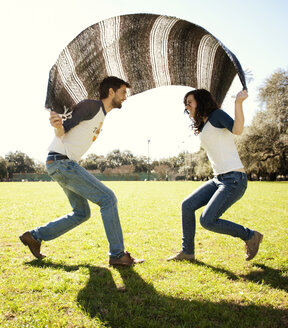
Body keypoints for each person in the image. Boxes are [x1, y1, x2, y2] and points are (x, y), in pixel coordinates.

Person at [20, 76, 144, 266]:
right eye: (123, 92)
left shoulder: (101, 114)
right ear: (111, 92)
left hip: (60, 163)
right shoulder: (91, 106)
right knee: (108, 199)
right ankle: (117, 255)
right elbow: (64, 130)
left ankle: (35, 237)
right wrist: (57, 125)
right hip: (62, 163)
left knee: (81, 213)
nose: (125, 97)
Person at [167, 89, 263, 262]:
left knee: (208, 220)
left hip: (234, 179)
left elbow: (238, 129)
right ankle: (187, 252)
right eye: (186, 103)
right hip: (219, 179)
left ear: (201, 101)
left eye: (190, 102)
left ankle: (250, 236)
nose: (187, 106)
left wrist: (238, 103)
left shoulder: (216, 115)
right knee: (187, 205)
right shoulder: (204, 124)